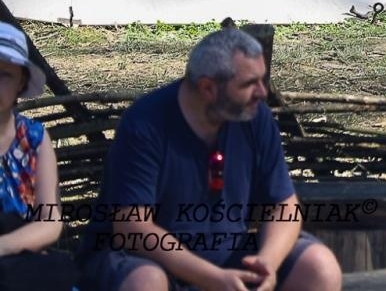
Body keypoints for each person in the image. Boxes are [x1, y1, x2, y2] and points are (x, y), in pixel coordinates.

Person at [78, 28, 342, 291]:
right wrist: (212, 279)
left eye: (262, 80)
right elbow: (132, 227)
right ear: (208, 88)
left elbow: (284, 206)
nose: (262, 92)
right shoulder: (146, 124)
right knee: (145, 283)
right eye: (249, 83)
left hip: (227, 258)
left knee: (319, 266)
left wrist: (267, 264)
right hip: (149, 261)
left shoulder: (254, 116)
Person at [0, 23, 77, 290]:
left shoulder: (34, 138)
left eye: (4, 75)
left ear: (21, 82)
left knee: (57, 274)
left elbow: (50, 222)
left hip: (17, 254)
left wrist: (4, 247)